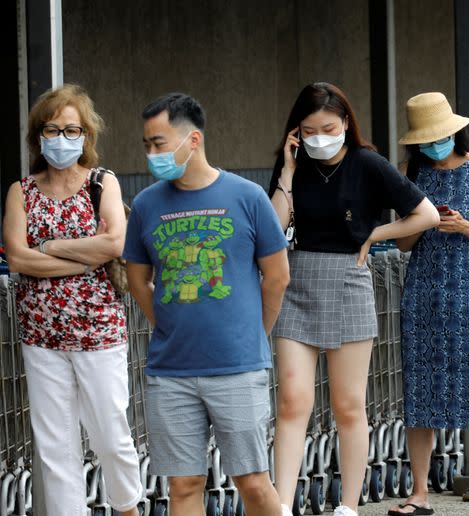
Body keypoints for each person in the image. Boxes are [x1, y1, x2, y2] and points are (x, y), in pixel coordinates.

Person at [268, 82, 439, 516]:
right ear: (296, 132)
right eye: (308, 130)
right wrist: (287, 173)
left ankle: (348, 506)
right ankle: (282, 505)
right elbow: (274, 228)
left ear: (345, 122)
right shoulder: (293, 164)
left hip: (349, 278)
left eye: (328, 127)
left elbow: (427, 214)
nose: (319, 137)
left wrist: (376, 234)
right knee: (292, 401)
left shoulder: (368, 163)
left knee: (347, 404)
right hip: (297, 279)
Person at [124, 93, 289, 515]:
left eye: (159, 143)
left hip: (238, 365)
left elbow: (277, 276)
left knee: (253, 482)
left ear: (192, 139)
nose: (152, 154)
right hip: (171, 370)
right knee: (183, 485)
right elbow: (137, 279)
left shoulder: (248, 197)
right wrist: (164, 322)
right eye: (146, 145)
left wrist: (257, 332)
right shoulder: (145, 206)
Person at [3, 84, 142, 515]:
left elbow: (115, 243)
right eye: (52, 129)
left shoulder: (104, 183)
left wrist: (46, 247)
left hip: (98, 331)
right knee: (55, 446)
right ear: (37, 136)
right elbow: (17, 257)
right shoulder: (20, 192)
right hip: (41, 335)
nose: (61, 138)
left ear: (86, 136)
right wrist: (84, 256)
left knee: (110, 434)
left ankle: (127, 506)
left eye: (71, 130)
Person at [389, 92, 469, 516]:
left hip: (468, 292)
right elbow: (403, 243)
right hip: (422, 293)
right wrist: (423, 222)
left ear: (453, 132)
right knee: (419, 393)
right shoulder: (411, 172)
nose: (433, 145)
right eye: (425, 139)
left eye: (438, 137)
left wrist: (463, 226)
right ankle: (419, 493)